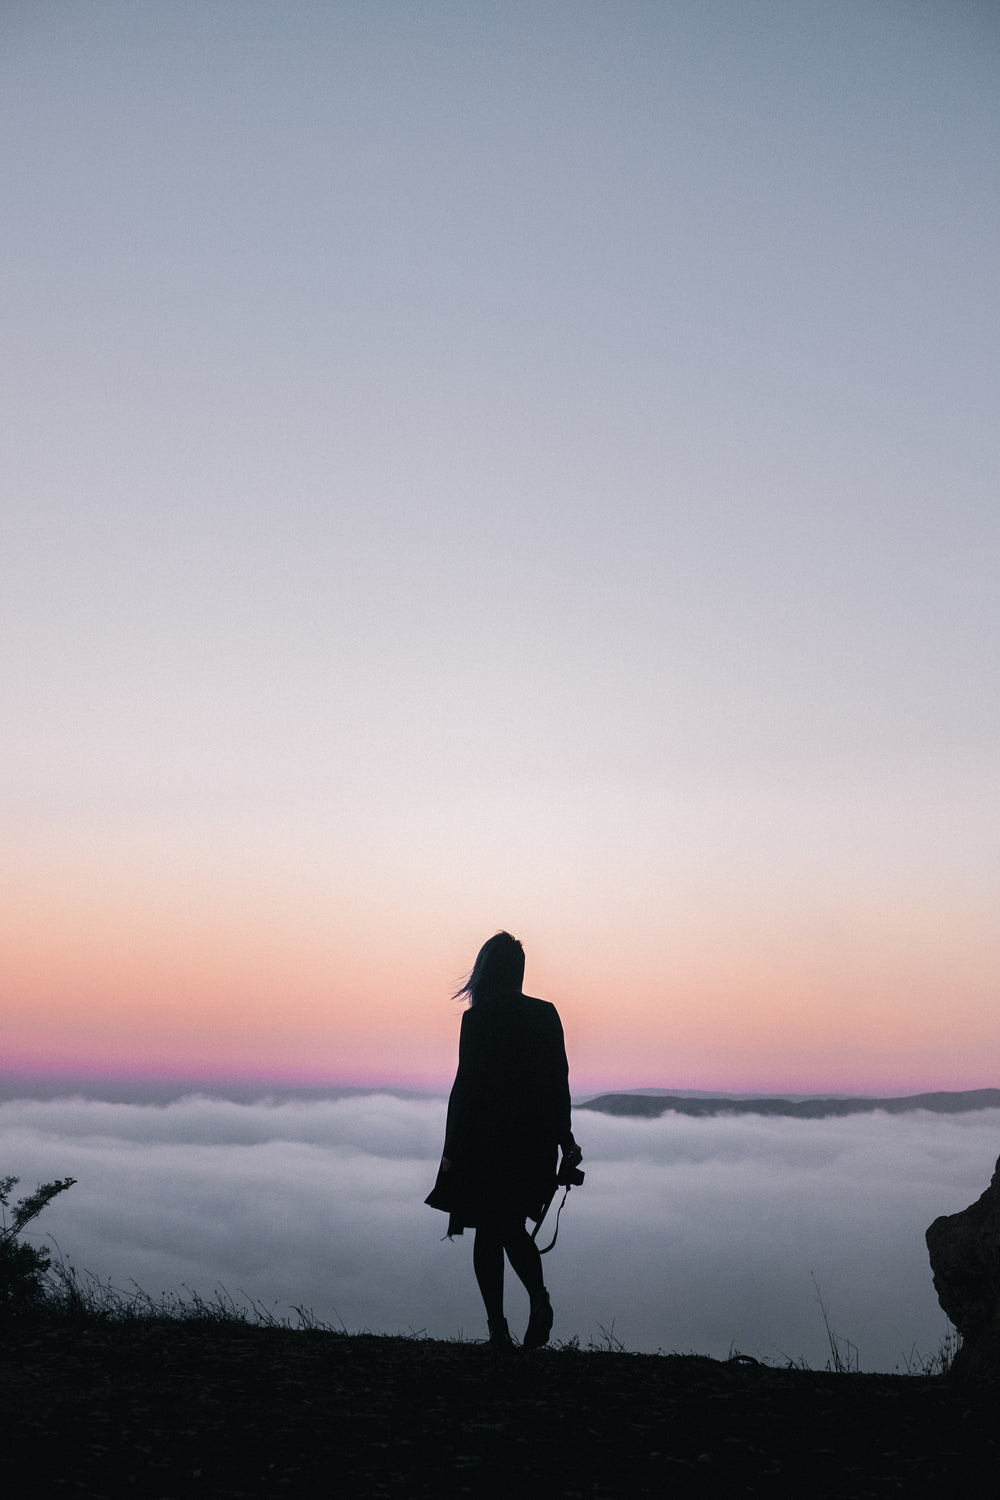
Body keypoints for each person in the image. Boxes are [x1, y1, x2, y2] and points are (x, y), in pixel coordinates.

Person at [425, 932, 582, 1350]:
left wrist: (451, 1153)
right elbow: (558, 1083)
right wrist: (565, 1140)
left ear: (485, 972)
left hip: (486, 1141)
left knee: (490, 1230)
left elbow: (467, 1088)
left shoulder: (477, 1020)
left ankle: (498, 1329)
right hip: (535, 1142)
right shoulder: (546, 1014)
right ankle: (538, 1298)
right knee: (508, 1223)